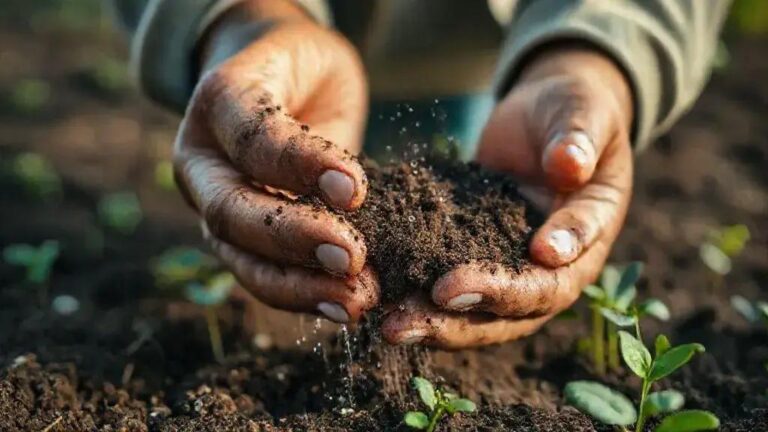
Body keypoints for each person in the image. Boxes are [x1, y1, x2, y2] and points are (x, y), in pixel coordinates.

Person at [112, 0, 731, 349]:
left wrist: (594, 53)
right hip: (295, 57)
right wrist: (241, 20)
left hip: (494, 46)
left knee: (470, 151)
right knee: (298, 197)